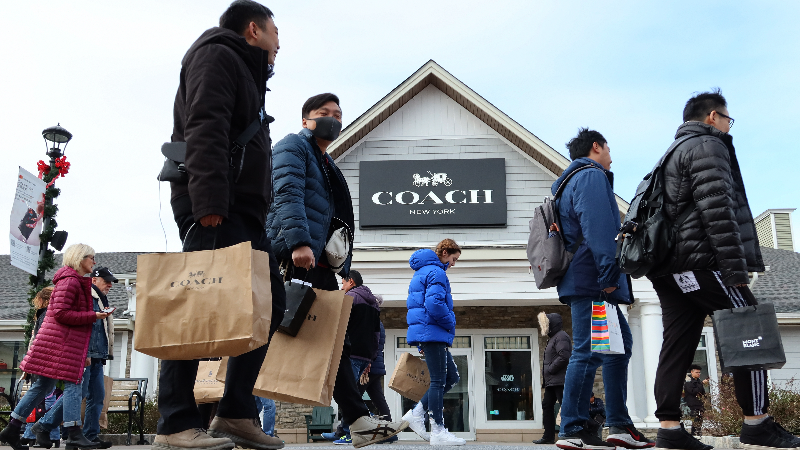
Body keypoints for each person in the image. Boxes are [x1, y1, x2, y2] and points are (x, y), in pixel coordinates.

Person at [160, 2, 286, 450]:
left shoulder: (247, 69)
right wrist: (209, 201)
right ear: (253, 29)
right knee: (195, 309)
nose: (280, 41)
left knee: (268, 305)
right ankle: (175, 423)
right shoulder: (217, 54)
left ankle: (234, 412)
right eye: (275, 31)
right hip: (217, 204)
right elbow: (206, 126)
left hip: (244, 208)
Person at [647, 90, 800, 450]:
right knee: (751, 328)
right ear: (713, 116)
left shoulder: (669, 153)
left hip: (669, 268)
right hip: (702, 262)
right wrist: (735, 272)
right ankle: (757, 423)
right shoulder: (707, 145)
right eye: (729, 119)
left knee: (678, 342)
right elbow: (718, 211)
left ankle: (669, 428)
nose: (730, 126)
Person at [265, 93, 407, 448]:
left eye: (337, 115)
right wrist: (299, 241)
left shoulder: (326, 162)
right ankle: (232, 413)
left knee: (332, 342)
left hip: (319, 264)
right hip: (297, 258)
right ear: (305, 120)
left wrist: (340, 264)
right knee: (270, 334)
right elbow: (287, 192)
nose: (332, 119)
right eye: (323, 113)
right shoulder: (293, 147)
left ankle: (358, 422)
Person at [552, 129, 652, 450]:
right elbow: (598, 229)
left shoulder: (572, 180)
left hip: (587, 277)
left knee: (616, 347)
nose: (611, 154)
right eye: (608, 147)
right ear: (596, 147)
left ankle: (618, 424)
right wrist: (610, 275)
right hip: (594, 279)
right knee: (588, 350)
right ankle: (572, 428)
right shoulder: (591, 176)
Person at [0, 244, 109, 450]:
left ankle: (12, 429)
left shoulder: (72, 281)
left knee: (45, 386)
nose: (94, 262)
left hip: (56, 342)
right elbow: (61, 313)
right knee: (73, 384)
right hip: (62, 344)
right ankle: (74, 432)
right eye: (91, 257)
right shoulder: (70, 281)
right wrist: (93, 315)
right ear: (79, 258)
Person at [31, 268, 119, 450]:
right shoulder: (86, 297)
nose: (110, 284)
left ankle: (90, 436)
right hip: (84, 354)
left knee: (97, 397)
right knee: (78, 394)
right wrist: (83, 352)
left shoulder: (102, 300)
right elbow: (80, 325)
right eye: (106, 280)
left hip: (98, 355)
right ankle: (44, 425)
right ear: (94, 280)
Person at [402, 239, 465, 446]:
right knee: (439, 380)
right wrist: (450, 322)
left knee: (451, 376)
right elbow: (433, 303)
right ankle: (438, 430)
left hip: (428, 332)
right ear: (445, 252)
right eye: (454, 258)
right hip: (433, 332)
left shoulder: (422, 271)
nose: (454, 263)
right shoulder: (437, 272)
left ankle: (417, 413)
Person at [19, 287, 61, 447]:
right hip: (51, 362)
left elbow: (37, 341)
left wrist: (30, 363)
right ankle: (50, 435)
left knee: (42, 400)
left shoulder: (44, 315)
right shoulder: (53, 314)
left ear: (42, 300)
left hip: (42, 361)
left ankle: (33, 434)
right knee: (47, 399)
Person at [534, 312, 571, 444]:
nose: (543, 326)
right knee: (547, 406)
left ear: (552, 324)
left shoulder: (561, 336)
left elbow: (564, 356)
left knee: (565, 407)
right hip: (552, 381)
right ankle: (548, 436)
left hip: (560, 380)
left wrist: (550, 369)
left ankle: (569, 434)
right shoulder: (554, 337)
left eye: (545, 323)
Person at [683, 365, 707, 437]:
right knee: (695, 419)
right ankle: (694, 434)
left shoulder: (698, 381)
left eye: (699, 372)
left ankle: (698, 433)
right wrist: (702, 383)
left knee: (700, 420)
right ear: (692, 372)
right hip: (692, 404)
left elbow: (702, 392)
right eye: (697, 372)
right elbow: (693, 391)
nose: (698, 374)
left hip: (700, 404)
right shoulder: (688, 382)